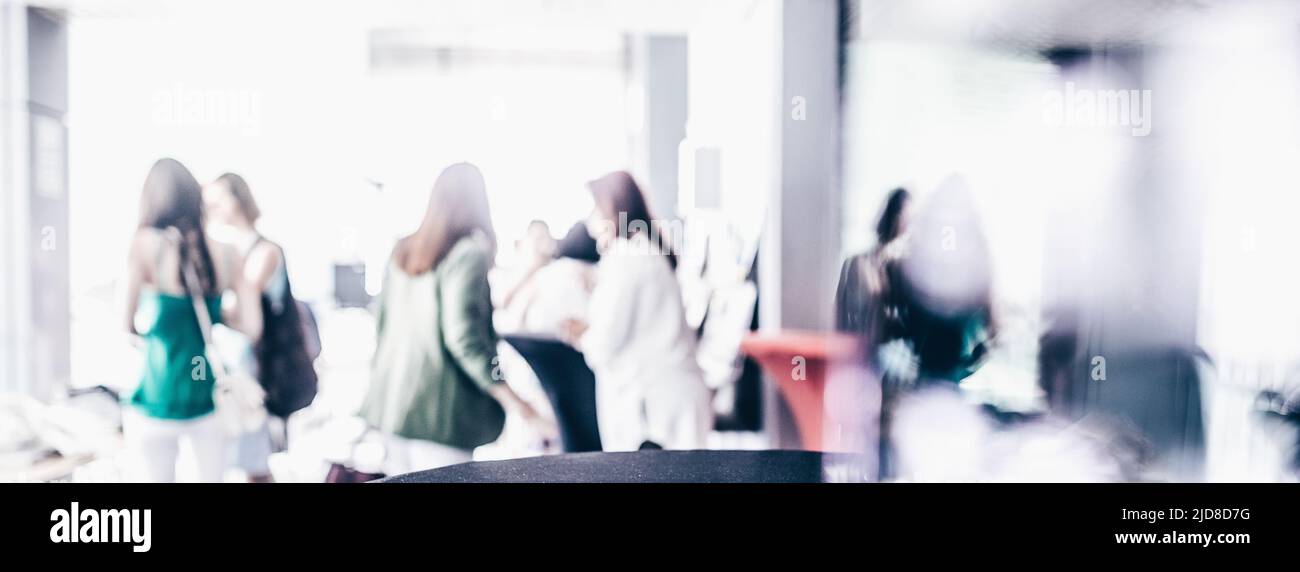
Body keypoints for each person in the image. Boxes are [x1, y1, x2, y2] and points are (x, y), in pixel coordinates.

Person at [360, 163, 550, 474]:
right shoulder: (469, 253)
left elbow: (381, 325)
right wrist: (517, 402)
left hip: (393, 409)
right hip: (440, 416)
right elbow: (466, 339)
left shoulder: (402, 250)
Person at [122, 158, 262, 482]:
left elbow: (125, 325)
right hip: (206, 397)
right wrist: (215, 314)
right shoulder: (227, 253)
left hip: (157, 395)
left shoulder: (143, 245)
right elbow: (252, 327)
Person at [561, 171, 711, 451]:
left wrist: (580, 335)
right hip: (671, 399)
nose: (590, 221)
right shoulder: (644, 252)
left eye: (595, 208)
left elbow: (603, 345)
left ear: (613, 209)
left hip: (655, 409)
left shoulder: (626, 259)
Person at [203, 172, 318, 482]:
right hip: (240, 371)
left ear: (237, 199)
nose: (211, 207)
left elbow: (241, 308)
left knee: (255, 464)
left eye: (217, 200)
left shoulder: (265, 251)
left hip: (260, 374)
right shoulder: (234, 250)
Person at [834, 187, 910, 349]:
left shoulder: (908, 270)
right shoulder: (858, 262)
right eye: (905, 216)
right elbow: (841, 313)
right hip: (859, 351)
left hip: (891, 352)